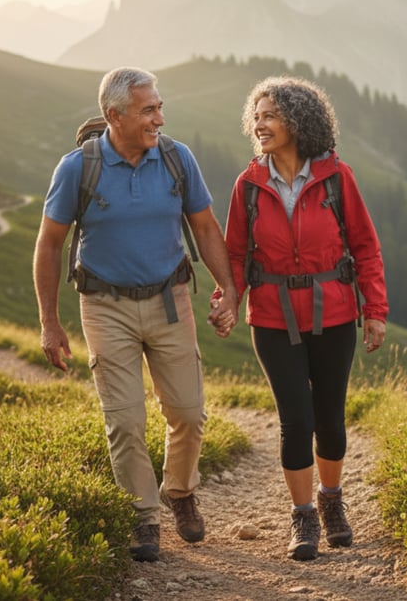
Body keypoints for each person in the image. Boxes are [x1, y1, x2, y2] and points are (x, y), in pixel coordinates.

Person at [33, 67, 238, 563]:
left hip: (171, 300)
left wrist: (230, 289)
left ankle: (180, 492)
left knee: (188, 413)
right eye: (149, 110)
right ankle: (143, 515)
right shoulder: (77, 169)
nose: (159, 119)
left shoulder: (175, 158)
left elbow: (207, 229)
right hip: (104, 307)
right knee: (124, 420)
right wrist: (50, 322)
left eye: (160, 107)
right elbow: (50, 243)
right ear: (114, 116)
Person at [216, 76, 387, 561]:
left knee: (330, 418)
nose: (260, 123)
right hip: (271, 318)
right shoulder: (248, 185)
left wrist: (374, 310)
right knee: (297, 418)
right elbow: (234, 254)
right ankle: (303, 515)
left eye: (270, 115)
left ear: (298, 120)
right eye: (257, 115)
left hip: (333, 312)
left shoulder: (336, 178)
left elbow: (365, 248)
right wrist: (229, 301)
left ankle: (332, 501)